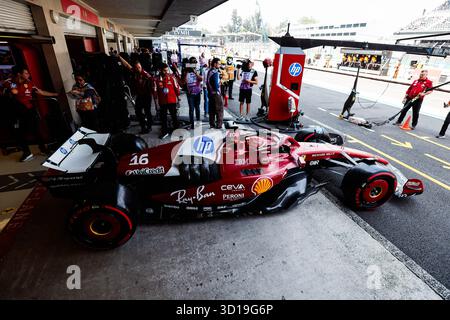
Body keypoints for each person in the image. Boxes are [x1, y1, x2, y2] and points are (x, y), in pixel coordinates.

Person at [4, 66, 58, 162]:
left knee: (36, 130)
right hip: (17, 112)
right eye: (26, 73)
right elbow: (14, 91)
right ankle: (27, 153)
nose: (28, 74)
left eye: (28, 73)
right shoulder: (10, 82)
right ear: (19, 74)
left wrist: (55, 94)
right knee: (19, 133)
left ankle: (43, 150)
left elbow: (40, 92)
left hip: (29, 110)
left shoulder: (29, 82)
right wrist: (18, 84)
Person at [118, 54, 154, 134]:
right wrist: (120, 57)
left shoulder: (146, 75)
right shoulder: (135, 72)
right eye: (136, 67)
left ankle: (149, 126)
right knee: (138, 111)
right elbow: (127, 65)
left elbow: (152, 85)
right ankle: (143, 125)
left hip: (147, 96)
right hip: (139, 96)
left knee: (147, 111)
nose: (138, 69)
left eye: (139, 67)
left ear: (141, 67)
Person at [154, 63, 181, 139]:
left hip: (172, 100)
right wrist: (156, 103)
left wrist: (178, 99)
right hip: (162, 102)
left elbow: (176, 88)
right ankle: (164, 132)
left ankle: (177, 132)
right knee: (163, 118)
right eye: (164, 70)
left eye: (167, 70)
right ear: (160, 70)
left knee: (174, 117)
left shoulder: (172, 77)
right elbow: (155, 91)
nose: (166, 72)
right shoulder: (156, 79)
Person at [184, 57, 203, 129]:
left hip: (197, 92)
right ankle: (192, 124)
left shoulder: (198, 69)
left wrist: (195, 72)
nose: (193, 65)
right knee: (191, 109)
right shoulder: (186, 70)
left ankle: (198, 123)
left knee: (197, 108)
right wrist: (186, 71)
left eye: (195, 63)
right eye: (192, 63)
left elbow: (201, 79)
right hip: (190, 93)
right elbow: (184, 82)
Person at [206, 58, 224, 129]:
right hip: (216, 94)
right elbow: (216, 85)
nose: (219, 65)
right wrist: (218, 91)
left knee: (212, 110)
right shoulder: (215, 72)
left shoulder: (209, 71)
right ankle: (219, 125)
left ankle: (212, 124)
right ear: (215, 64)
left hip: (210, 93)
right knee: (219, 110)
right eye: (219, 64)